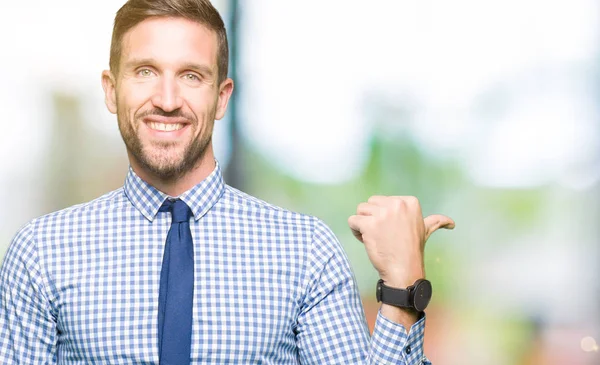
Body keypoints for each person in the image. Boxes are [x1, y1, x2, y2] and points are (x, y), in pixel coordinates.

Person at [0, 0, 454, 364]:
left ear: (221, 97)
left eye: (191, 76)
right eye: (145, 72)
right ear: (110, 89)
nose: (167, 99)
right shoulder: (41, 254)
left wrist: (402, 293)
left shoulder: (304, 252)